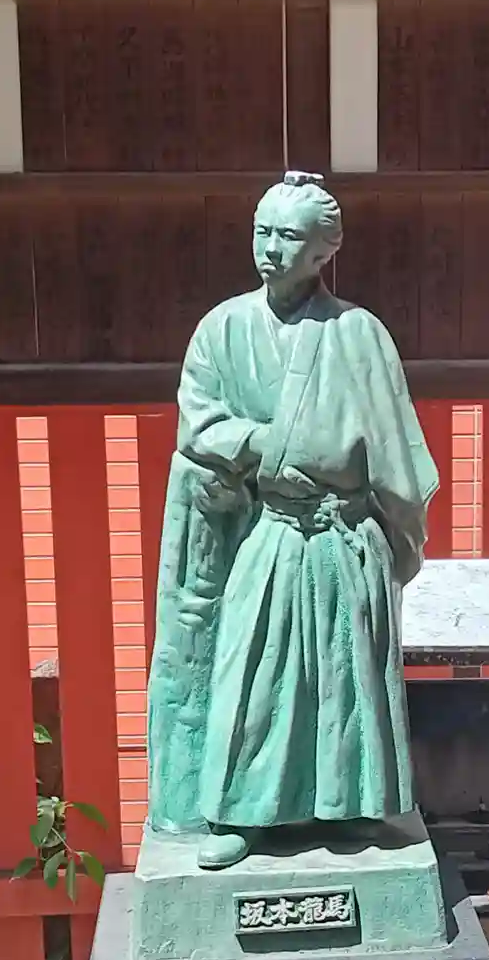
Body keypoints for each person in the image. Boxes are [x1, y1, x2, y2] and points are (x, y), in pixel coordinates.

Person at [145, 172, 440, 869]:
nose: (270, 249)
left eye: (288, 237)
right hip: (273, 529)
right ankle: (241, 813)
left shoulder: (358, 334)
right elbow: (200, 424)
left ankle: (348, 808)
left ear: (323, 252)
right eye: (262, 232)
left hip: (346, 535)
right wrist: (268, 445)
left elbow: (396, 450)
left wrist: (398, 541)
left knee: (346, 682)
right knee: (253, 674)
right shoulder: (222, 329)